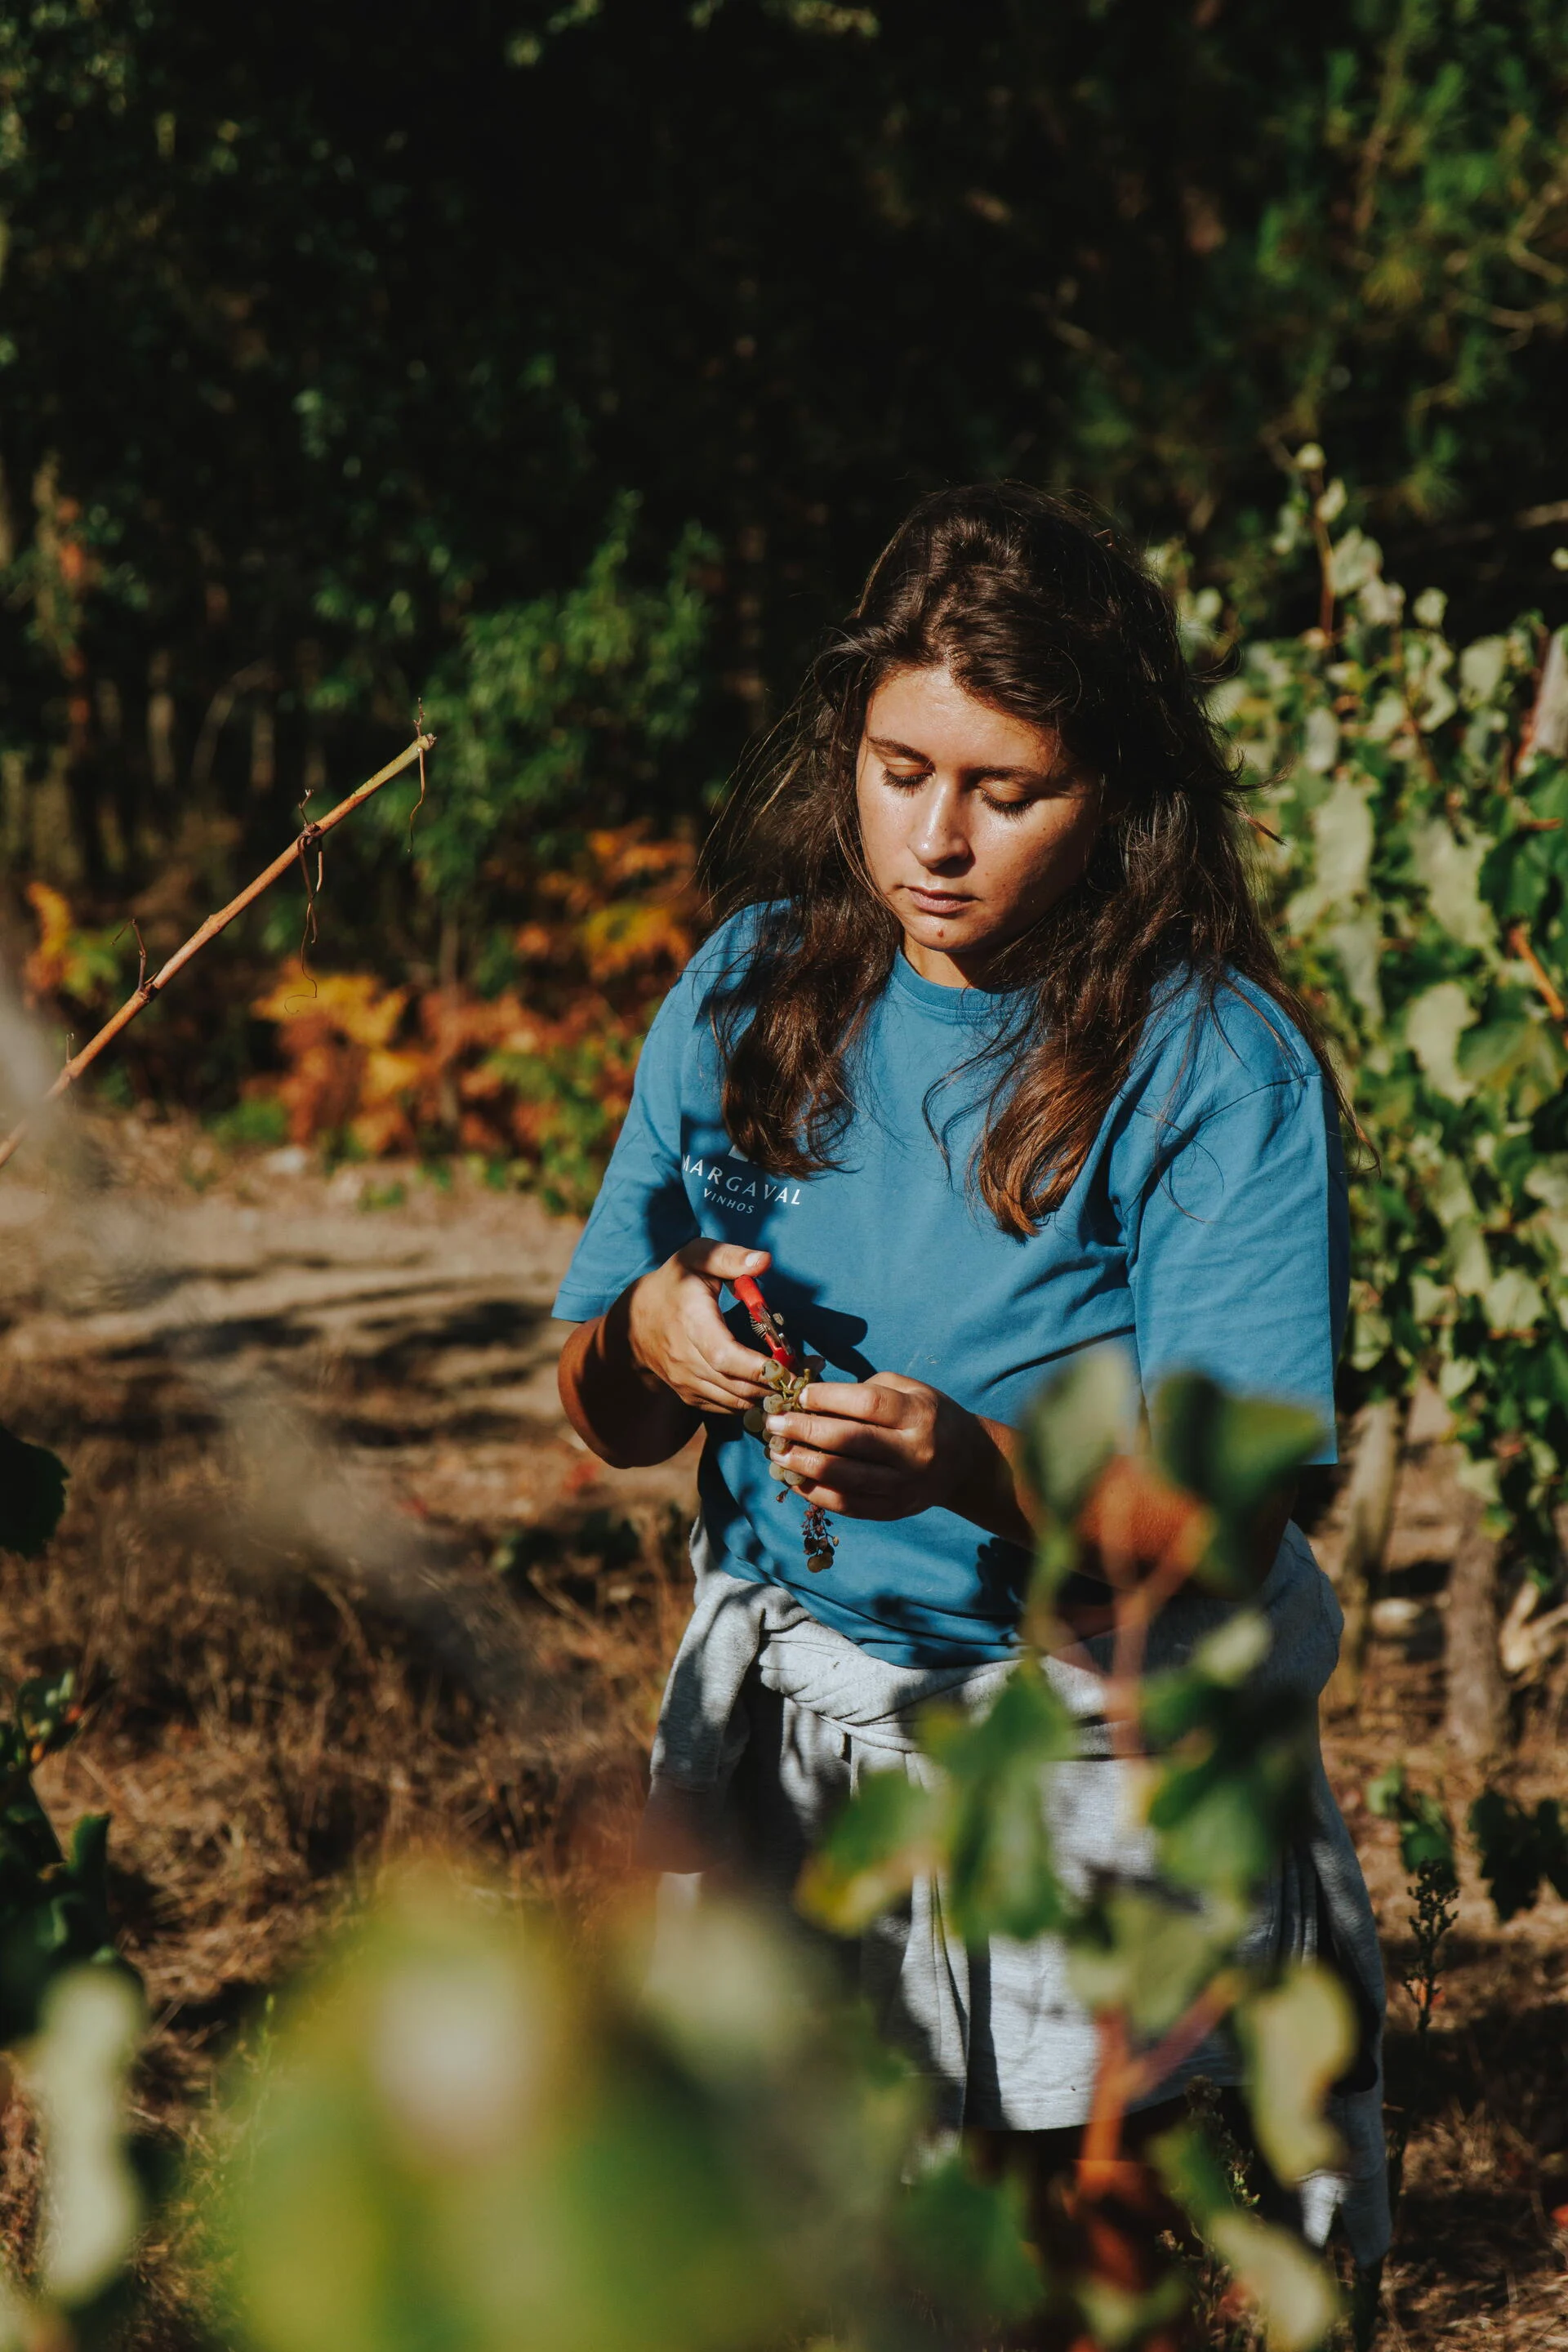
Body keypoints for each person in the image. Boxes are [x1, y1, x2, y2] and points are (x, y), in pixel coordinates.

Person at [552, 483, 1388, 2267]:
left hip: (1083, 1748)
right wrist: (654, 1333)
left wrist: (974, 1473)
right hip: (788, 1728)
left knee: (1049, 2270)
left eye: (1010, 795)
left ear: (1120, 799)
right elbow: (598, 1403)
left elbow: (1226, 1543)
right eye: (898, 767)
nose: (936, 838)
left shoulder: (1214, 1075)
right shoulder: (745, 995)